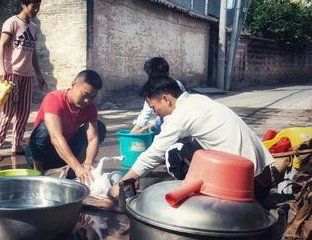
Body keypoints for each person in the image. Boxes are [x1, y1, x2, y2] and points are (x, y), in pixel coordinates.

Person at [109, 76, 276, 202]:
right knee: (187, 148)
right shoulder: (197, 100)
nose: (154, 112)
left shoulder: (181, 115)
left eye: (154, 107)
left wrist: (126, 181)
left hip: (247, 189)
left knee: (172, 153)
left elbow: (154, 153)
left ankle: (197, 199)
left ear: (166, 99)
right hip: (262, 179)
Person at [0, 0, 47, 161]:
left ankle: (16, 144)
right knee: (7, 112)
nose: (35, 10)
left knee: (23, 112)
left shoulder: (34, 28)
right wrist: (2, 68)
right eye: (33, 6)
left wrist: (39, 74)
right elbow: (1, 46)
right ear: (23, 5)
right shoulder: (12, 23)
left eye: (38, 7)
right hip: (11, 74)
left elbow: (33, 53)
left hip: (27, 75)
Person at [25, 70, 106, 185]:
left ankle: (73, 171)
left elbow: (92, 139)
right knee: (44, 129)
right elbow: (55, 137)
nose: (87, 101)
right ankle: (38, 170)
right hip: (40, 154)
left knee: (100, 128)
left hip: (63, 153)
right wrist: (78, 167)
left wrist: (88, 163)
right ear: (73, 85)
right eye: (85, 95)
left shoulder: (90, 107)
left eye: (92, 97)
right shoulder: (54, 98)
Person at [130, 57, 185, 134]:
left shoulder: (168, 86)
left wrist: (145, 127)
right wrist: (136, 130)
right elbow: (147, 111)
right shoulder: (175, 83)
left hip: (176, 124)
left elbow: (171, 113)